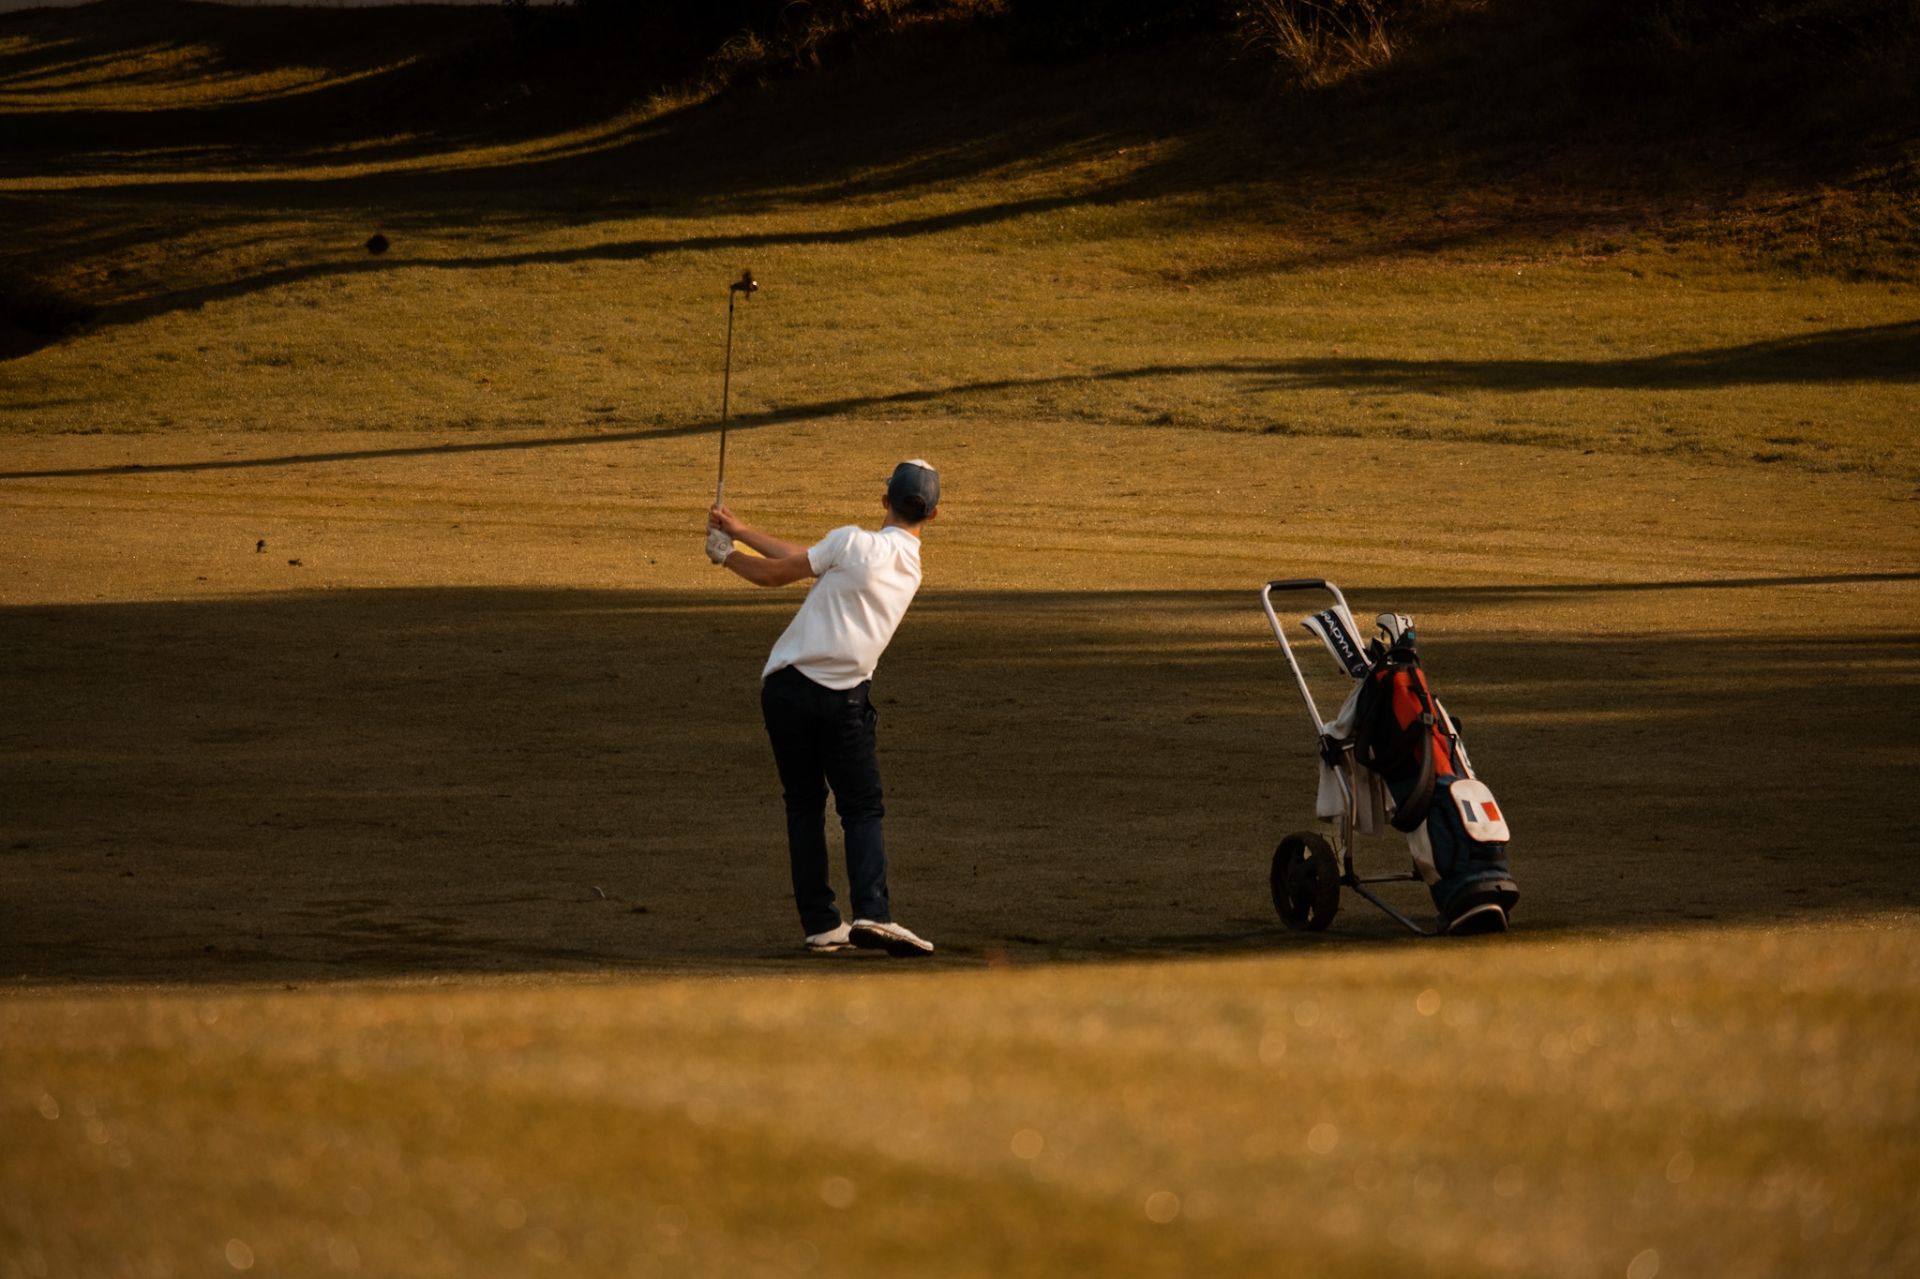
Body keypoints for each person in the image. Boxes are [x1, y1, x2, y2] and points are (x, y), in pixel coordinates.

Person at [704, 459, 941, 957]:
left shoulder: (849, 542)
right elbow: (810, 558)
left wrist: (727, 556)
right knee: (860, 808)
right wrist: (741, 533)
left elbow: (779, 574)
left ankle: (821, 924)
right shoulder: (909, 567)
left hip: (785, 690)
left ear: (884, 500)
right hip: (843, 701)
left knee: (805, 805)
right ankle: (872, 913)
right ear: (933, 515)